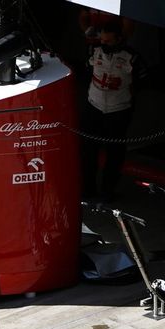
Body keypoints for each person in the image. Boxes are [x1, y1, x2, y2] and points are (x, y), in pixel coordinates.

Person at [82, 19, 146, 201]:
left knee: (114, 153)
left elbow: (142, 79)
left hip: (119, 110)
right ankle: (87, 190)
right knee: (89, 150)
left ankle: (108, 191)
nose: (104, 44)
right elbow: (86, 70)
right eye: (102, 41)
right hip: (94, 106)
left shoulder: (131, 57)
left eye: (109, 42)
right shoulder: (93, 51)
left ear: (119, 39)